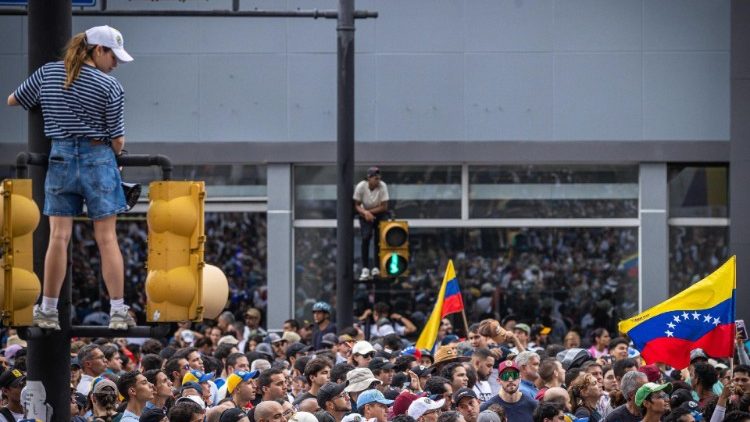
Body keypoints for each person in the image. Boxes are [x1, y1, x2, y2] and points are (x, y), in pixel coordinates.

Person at [7, 25, 135, 331]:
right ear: (98, 50)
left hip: (60, 157)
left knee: (58, 237)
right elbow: (117, 139)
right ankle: (118, 311)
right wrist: (115, 158)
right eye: (113, 56)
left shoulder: (49, 73)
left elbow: (13, 99)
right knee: (106, 239)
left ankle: (48, 309)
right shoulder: (110, 86)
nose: (115, 64)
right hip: (99, 158)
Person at [353, 166, 389, 281]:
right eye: (375, 178)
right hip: (365, 213)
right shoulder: (361, 186)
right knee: (366, 237)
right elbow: (357, 204)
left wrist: (369, 212)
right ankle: (365, 268)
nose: (377, 181)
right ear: (369, 178)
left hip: (379, 212)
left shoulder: (383, 186)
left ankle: (377, 267)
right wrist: (365, 213)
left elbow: (384, 206)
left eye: (379, 178)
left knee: (379, 239)